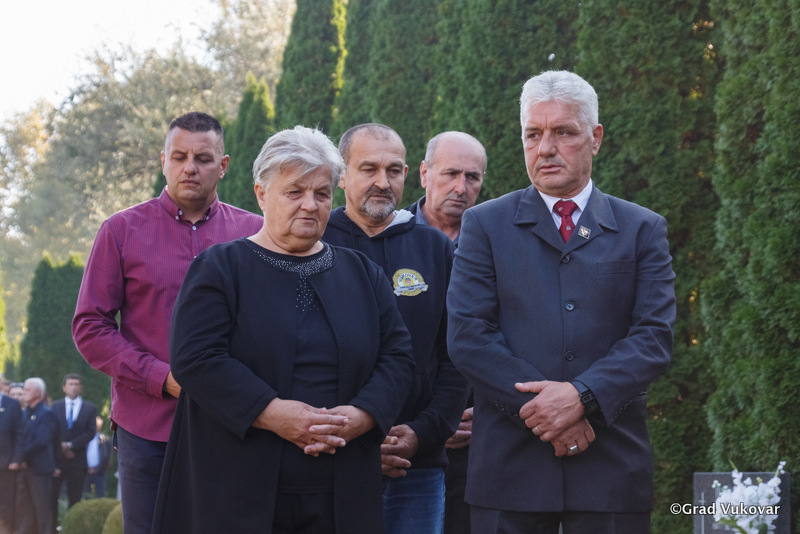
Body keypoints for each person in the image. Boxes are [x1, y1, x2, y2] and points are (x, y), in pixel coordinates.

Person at [152, 126, 415, 533]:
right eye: (294, 192)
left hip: (342, 489)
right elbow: (196, 359)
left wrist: (362, 415)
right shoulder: (220, 269)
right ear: (261, 194)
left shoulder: (363, 273)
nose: (310, 205)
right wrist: (273, 414)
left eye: (322, 193)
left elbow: (397, 357)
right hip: (236, 491)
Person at [446, 70, 676, 534]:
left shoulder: (642, 229)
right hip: (510, 471)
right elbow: (469, 336)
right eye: (533, 134)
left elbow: (653, 337)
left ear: (595, 138)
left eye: (563, 132)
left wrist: (582, 397)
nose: (545, 148)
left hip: (610, 467)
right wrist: (547, 412)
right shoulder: (485, 226)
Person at [72, 111, 264, 534]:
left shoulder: (256, 234)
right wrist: (162, 378)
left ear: (223, 165)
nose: (190, 168)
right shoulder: (120, 230)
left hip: (235, 425)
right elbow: (90, 326)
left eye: (203, 158)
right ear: (164, 161)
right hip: (147, 428)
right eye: (179, 157)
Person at [324, 123, 467, 534]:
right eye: (369, 169)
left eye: (393, 170)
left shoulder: (435, 248)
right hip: (331, 464)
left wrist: (423, 432)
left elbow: (455, 355)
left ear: (408, 173)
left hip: (416, 467)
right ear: (342, 175)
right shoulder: (318, 242)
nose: (382, 182)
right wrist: (355, 440)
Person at [407, 131, 486, 534]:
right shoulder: (388, 236)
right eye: (451, 173)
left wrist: (488, 413)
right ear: (424, 173)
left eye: (472, 177)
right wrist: (430, 422)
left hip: (477, 436)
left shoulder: (498, 241)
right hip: (402, 433)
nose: (461, 187)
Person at [11, 378, 58, 534]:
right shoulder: (24, 413)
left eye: (27, 390)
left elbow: (41, 441)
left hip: (40, 470)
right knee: (24, 509)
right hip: (25, 468)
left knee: (42, 510)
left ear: (38, 393)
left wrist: (20, 456)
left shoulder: (46, 414)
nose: (23, 393)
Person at [51, 373, 97, 510]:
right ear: (64, 387)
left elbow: (90, 432)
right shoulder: (55, 406)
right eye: (70, 384)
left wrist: (71, 445)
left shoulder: (90, 408)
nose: (74, 387)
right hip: (57, 459)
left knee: (75, 498)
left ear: (81, 387)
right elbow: (51, 429)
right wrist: (61, 446)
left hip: (77, 459)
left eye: (76, 384)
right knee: (52, 496)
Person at [0, 378, 23, 534]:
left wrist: (16, 458)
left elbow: (19, 434)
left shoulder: (12, 404)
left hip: (6, 463)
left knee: (5, 502)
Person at [84, 416, 113, 499]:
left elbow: (108, 457)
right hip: (85, 472)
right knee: (85, 496)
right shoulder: (84, 439)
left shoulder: (105, 440)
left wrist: (97, 469)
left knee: (100, 496)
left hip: (100, 472)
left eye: (97, 426)